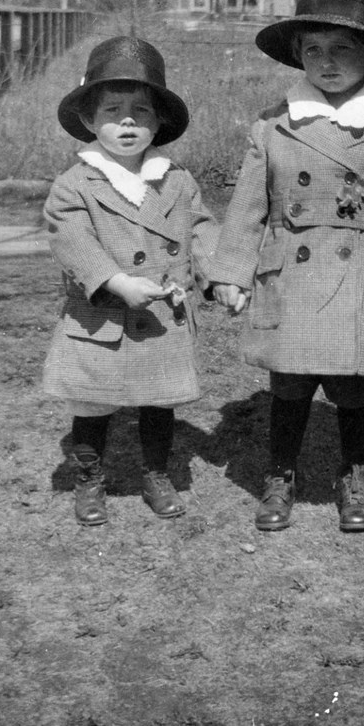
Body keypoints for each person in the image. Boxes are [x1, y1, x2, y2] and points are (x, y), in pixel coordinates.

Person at [210, 0, 364, 533]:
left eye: (343, 48)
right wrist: (231, 272)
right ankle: (280, 474)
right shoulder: (273, 125)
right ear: (296, 55)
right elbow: (248, 207)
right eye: (313, 49)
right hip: (292, 271)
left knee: (357, 385)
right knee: (289, 382)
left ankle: (354, 473)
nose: (327, 61)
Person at [43, 36, 218, 527]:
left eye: (141, 111)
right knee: (93, 403)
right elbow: (71, 239)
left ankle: (156, 474)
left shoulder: (176, 180)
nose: (127, 122)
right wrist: (116, 282)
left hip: (162, 313)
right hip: (99, 317)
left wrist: (220, 275)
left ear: (159, 122)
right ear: (88, 120)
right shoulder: (74, 183)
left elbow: (201, 228)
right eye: (113, 110)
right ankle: (89, 478)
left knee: (159, 402)